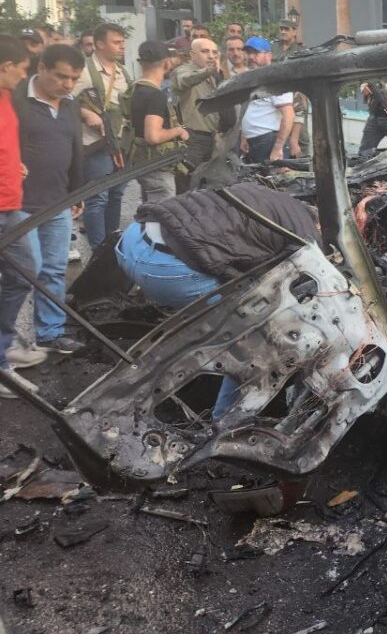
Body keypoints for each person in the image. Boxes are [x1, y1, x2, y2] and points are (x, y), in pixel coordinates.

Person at [114, 183, 320, 417]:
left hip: (130, 242)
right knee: (256, 336)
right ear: (318, 223)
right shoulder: (306, 234)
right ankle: (226, 420)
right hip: (165, 270)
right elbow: (300, 296)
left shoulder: (269, 197)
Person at [11, 43, 87, 357]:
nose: (68, 84)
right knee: (23, 273)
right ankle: (10, 341)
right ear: (42, 68)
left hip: (59, 201)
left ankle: (50, 333)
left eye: (74, 78)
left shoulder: (70, 104)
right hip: (20, 205)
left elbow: (75, 148)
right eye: (61, 76)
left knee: (54, 270)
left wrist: (77, 190)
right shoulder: (15, 99)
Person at [0, 34, 44, 397]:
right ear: (6, 67)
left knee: (23, 273)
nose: (23, 76)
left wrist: (15, 164)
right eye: (22, 69)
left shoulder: (6, 97)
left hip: (10, 206)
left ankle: (2, 345)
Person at [74, 23, 129, 250]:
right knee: (98, 198)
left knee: (116, 195)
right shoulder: (84, 71)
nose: (122, 46)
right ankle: (98, 251)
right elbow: (64, 100)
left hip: (120, 144)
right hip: (95, 144)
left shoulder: (122, 71)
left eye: (122, 42)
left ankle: (111, 248)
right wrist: (85, 113)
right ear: (99, 44)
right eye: (116, 42)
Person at [122, 40, 188, 204]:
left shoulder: (134, 89)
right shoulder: (155, 95)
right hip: (158, 166)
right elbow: (153, 136)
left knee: (149, 211)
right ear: (166, 63)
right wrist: (178, 131)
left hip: (141, 162)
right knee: (163, 212)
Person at [170, 33, 222, 191]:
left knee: (205, 187)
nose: (211, 56)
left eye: (214, 52)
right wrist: (207, 71)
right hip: (191, 138)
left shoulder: (212, 75)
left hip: (210, 138)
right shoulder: (183, 71)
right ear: (192, 54)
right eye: (205, 51)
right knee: (187, 186)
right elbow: (185, 80)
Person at [240, 36, 294, 163]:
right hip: (253, 142)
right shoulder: (250, 79)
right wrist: (244, 137)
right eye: (248, 53)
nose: (251, 57)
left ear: (269, 55)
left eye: (256, 53)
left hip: (269, 141)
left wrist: (278, 147)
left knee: (271, 175)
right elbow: (250, 109)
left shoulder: (275, 79)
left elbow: (288, 115)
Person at [275, 20, 308, 156]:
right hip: (276, 96)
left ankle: (304, 163)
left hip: (297, 96)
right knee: (279, 132)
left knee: (301, 138)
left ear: (294, 31)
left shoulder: (302, 51)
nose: (283, 32)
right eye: (281, 29)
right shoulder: (273, 48)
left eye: (286, 29)